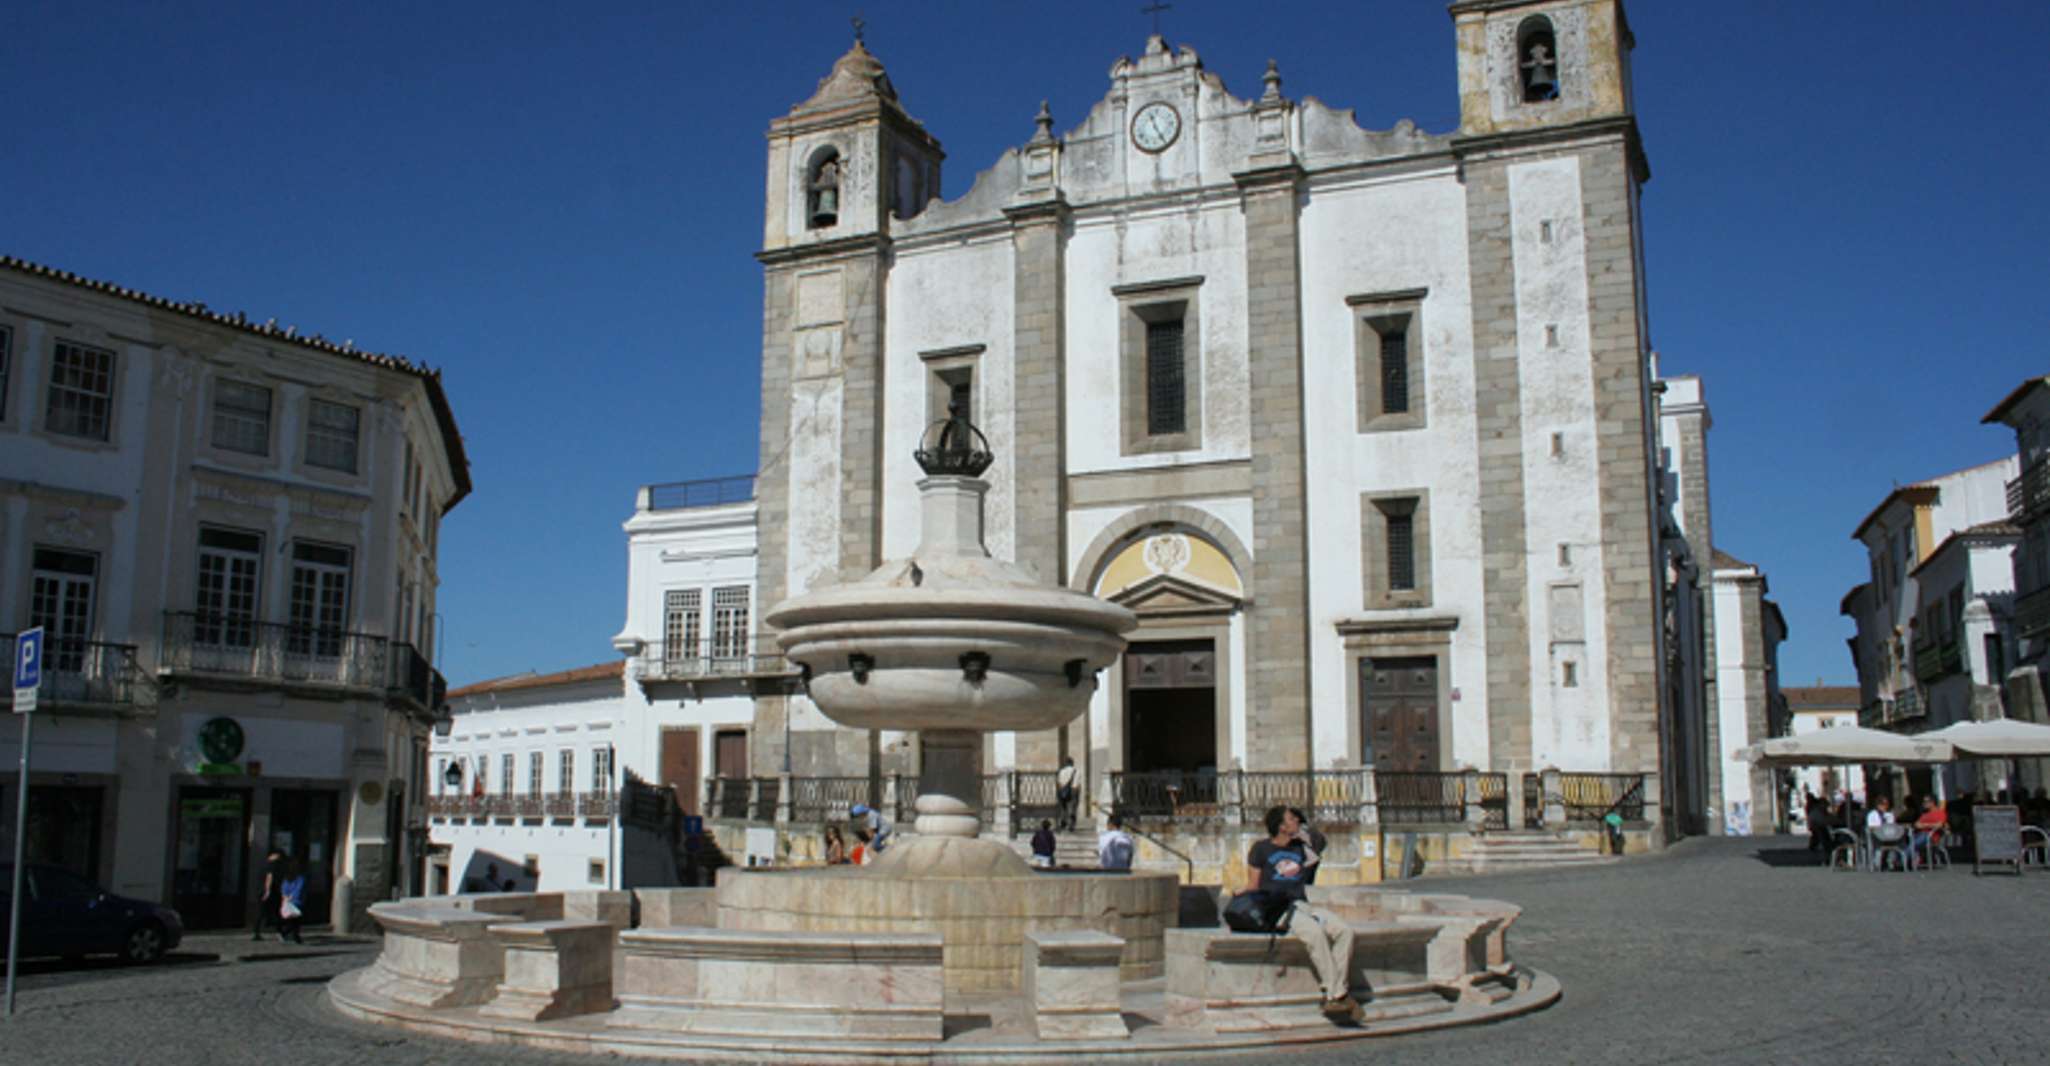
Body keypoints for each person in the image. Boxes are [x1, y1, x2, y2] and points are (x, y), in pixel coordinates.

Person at [1242, 806, 1358, 1021]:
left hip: (1303, 904)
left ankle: (1335, 992)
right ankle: (1336, 995)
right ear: (1281, 826)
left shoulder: (1301, 848)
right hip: (1278, 907)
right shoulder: (1261, 849)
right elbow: (1253, 884)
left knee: (1344, 931)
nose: (1297, 822)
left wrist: (1302, 831)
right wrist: (1242, 896)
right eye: (1292, 819)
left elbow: (1319, 840)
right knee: (1314, 933)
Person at [253, 848, 285, 941]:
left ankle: (256, 933)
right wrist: (268, 891)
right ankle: (280, 933)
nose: (279, 858)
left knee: (260, 912)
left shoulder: (263, 864)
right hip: (270, 892)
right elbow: (269, 877)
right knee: (275, 913)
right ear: (273, 855)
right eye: (278, 855)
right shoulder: (272, 864)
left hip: (260, 891)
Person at [1909, 795, 1947, 869]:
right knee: (1906, 839)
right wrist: (1928, 825)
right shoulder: (1925, 814)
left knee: (1915, 843)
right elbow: (1916, 824)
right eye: (1923, 802)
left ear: (1932, 803)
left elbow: (1939, 825)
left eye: (1926, 802)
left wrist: (1924, 825)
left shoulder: (1939, 813)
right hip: (1921, 835)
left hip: (1932, 837)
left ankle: (1902, 859)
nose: (1924, 803)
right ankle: (1905, 859)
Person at [277, 859, 308, 944]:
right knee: (296, 921)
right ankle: (292, 936)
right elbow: (299, 889)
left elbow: (283, 888)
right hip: (297, 901)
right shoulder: (300, 877)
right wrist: (292, 897)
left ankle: (293, 936)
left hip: (287, 901)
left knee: (292, 920)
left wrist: (285, 897)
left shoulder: (287, 878)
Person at [1805, 791, 1832, 861]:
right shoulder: (1816, 811)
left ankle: (1814, 847)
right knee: (1820, 835)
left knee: (1817, 836)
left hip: (1817, 827)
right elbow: (1822, 821)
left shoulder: (1813, 807)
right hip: (1818, 827)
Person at [1055, 757, 1079, 832]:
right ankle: (1071, 825)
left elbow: (1058, 782)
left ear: (1066, 763)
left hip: (1062, 790)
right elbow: (1077, 784)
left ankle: (1063, 822)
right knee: (1072, 808)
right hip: (1073, 791)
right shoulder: (1076, 771)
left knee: (1063, 807)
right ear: (1072, 763)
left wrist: (1061, 790)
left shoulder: (1061, 771)